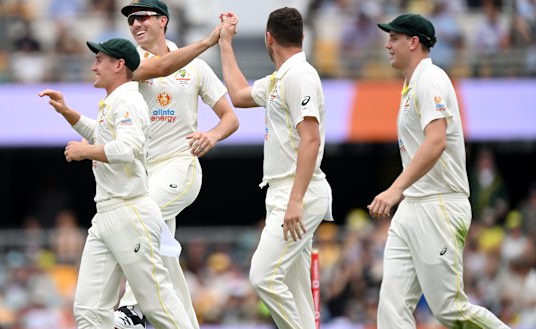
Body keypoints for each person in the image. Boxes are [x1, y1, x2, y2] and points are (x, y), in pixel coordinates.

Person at [37, 32, 220, 329]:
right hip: (106, 214)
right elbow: (104, 135)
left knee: (157, 304)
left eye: (99, 60)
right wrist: (68, 112)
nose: (94, 67)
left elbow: (127, 149)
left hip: (129, 211)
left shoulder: (129, 100)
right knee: (88, 309)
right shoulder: (115, 101)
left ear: (119, 65)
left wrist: (85, 152)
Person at [368, 13, 510, 329]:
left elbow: (436, 143)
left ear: (413, 42)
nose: (388, 45)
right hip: (414, 206)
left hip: (440, 204)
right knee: (391, 309)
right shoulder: (410, 84)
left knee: (449, 310)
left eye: (393, 38)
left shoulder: (431, 78)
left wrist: (394, 190)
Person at [113, 1, 239, 328]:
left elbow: (230, 118)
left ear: (163, 20)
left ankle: (130, 309)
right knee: (165, 264)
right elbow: (160, 68)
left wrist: (212, 136)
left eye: (142, 17)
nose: (136, 24)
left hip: (179, 167)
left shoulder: (196, 68)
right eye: (131, 20)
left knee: (140, 218)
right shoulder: (130, 62)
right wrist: (208, 42)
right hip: (142, 174)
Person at [218, 8, 333, 329]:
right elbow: (239, 95)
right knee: (297, 296)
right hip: (285, 191)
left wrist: (296, 199)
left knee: (263, 277)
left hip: (298, 193)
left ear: (268, 38)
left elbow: (310, 140)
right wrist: (225, 44)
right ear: (302, 36)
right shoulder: (281, 78)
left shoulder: (300, 76)